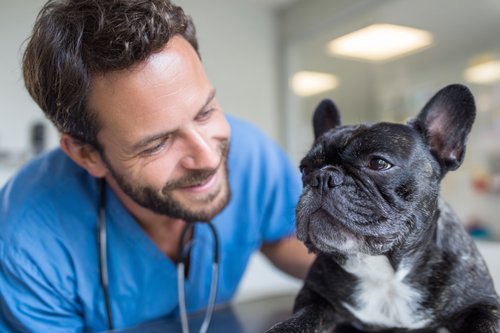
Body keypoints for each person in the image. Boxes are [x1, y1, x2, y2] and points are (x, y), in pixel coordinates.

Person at [0, 0, 315, 331]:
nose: (208, 159)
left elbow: (285, 239)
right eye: (157, 144)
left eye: (204, 112)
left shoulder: (251, 156)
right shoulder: (26, 247)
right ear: (86, 155)